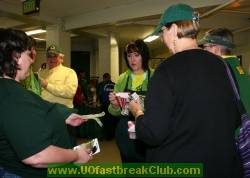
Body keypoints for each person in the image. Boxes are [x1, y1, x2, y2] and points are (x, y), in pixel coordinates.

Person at [128, 4, 242, 177]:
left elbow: (153, 133)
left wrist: (137, 113)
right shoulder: (223, 66)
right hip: (223, 165)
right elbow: (235, 119)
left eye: (162, 32)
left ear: (173, 29)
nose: (162, 38)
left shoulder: (166, 70)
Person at [0, 28, 91, 178]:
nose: (32, 60)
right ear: (16, 56)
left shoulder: (68, 72)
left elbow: (35, 103)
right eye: (29, 55)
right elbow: (37, 156)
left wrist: (63, 114)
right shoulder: (13, 94)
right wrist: (75, 155)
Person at [108, 39, 154, 163]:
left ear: (143, 56)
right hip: (126, 131)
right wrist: (115, 105)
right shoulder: (123, 78)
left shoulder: (155, 76)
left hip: (148, 129)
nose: (132, 60)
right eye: (129, 56)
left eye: (136, 55)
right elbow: (114, 112)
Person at [199, 27, 250, 114]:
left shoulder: (218, 69)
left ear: (216, 48)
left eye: (205, 47)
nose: (204, 51)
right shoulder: (237, 66)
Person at [97, 73, 117, 140]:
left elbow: (100, 94)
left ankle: (105, 135)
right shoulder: (114, 84)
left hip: (105, 104)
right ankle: (111, 135)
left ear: (104, 78)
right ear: (109, 77)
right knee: (112, 119)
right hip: (113, 104)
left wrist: (99, 102)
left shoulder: (102, 84)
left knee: (105, 120)